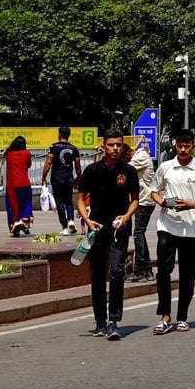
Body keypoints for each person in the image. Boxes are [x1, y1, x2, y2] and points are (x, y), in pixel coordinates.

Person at [76, 132, 143, 340]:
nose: (115, 148)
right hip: (97, 228)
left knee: (116, 272)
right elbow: (79, 199)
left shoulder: (129, 171)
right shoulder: (92, 170)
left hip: (119, 230)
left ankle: (114, 321)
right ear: (103, 146)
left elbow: (135, 200)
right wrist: (87, 221)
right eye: (111, 145)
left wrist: (126, 216)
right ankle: (100, 322)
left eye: (119, 145)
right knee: (97, 275)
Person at [152, 130, 195, 332]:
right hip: (167, 226)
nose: (182, 150)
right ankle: (165, 315)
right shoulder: (165, 167)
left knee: (187, 274)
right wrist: (162, 202)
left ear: (192, 147)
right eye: (179, 146)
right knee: (163, 270)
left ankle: (182, 317)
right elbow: (154, 190)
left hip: (190, 229)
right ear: (175, 146)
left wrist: (192, 205)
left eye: (186, 146)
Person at [46, 126, 84, 234]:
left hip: (57, 178)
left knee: (60, 202)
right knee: (69, 201)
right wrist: (79, 178)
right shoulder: (74, 148)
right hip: (69, 177)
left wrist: (44, 177)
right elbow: (78, 166)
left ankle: (64, 227)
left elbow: (48, 162)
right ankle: (71, 220)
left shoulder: (53, 147)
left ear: (59, 134)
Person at [129, 138, 158, 273]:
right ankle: (146, 267)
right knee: (140, 233)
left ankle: (140, 267)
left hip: (145, 200)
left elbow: (126, 169)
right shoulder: (142, 156)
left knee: (138, 233)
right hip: (144, 199)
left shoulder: (140, 157)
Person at [2, 135, 35, 237]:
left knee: (12, 206)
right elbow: (28, 165)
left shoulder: (9, 155)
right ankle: (24, 221)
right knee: (25, 204)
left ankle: (14, 224)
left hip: (13, 185)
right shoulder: (27, 154)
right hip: (24, 183)